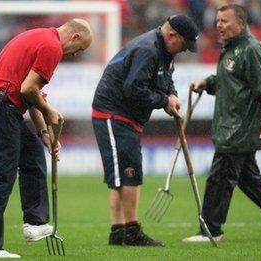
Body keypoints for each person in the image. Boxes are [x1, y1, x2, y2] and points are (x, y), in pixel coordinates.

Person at [0, 19, 92, 258]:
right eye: (78, 49)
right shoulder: (52, 47)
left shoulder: (40, 36)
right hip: (0, 107)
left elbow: (30, 93)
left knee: (33, 157)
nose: (74, 54)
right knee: (2, 176)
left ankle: (35, 224)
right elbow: (28, 90)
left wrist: (44, 134)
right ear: (75, 37)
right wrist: (49, 111)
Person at [182, 4, 261, 243]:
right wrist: (208, 83)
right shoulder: (233, 49)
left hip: (239, 129)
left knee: (219, 178)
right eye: (217, 21)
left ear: (240, 23)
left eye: (224, 21)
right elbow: (232, 81)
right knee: (250, 182)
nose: (219, 25)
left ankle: (211, 230)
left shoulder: (250, 49)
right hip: (233, 127)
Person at [92, 15, 198, 247]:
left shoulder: (165, 52)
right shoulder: (147, 50)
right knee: (129, 172)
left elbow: (166, 79)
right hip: (113, 113)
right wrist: (163, 101)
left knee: (121, 174)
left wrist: (173, 97)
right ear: (172, 36)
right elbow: (133, 89)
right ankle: (131, 231)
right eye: (184, 44)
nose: (184, 51)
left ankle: (118, 231)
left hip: (125, 116)